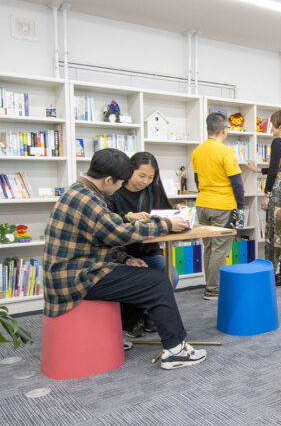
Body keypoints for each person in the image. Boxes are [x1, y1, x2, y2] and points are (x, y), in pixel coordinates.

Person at [43, 148, 206, 370]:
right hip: (77, 277)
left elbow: (100, 239)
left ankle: (118, 333)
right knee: (157, 281)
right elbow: (118, 233)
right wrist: (166, 224)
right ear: (108, 179)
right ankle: (176, 350)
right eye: (120, 182)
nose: (120, 186)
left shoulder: (79, 191)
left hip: (77, 270)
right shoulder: (88, 199)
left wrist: (126, 259)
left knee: (145, 275)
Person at [106, 151, 179, 338]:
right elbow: (108, 223)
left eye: (150, 177)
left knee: (172, 276)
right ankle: (132, 319)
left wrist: (177, 211)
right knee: (140, 280)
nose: (145, 181)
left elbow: (165, 214)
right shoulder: (114, 190)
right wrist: (129, 216)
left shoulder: (152, 189)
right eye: (141, 175)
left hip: (149, 250)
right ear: (130, 171)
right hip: (121, 254)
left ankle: (146, 315)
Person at [192, 112, 245, 300]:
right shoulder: (226, 151)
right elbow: (237, 183)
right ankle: (213, 289)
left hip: (202, 204)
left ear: (207, 128)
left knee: (208, 247)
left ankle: (209, 285)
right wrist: (241, 206)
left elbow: (197, 181)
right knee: (220, 249)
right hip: (223, 205)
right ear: (225, 130)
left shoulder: (197, 151)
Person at [246, 109, 281, 286]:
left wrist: (266, 195)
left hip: (277, 195)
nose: (272, 129)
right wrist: (257, 170)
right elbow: (280, 168)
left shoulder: (277, 142)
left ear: (280, 126)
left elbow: (274, 172)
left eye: (273, 125)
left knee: (278, 232)